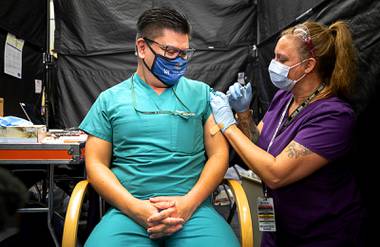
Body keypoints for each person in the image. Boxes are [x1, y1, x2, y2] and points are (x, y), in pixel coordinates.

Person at [79, 7, 240, 247]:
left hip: (194, 212)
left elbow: (219, 155)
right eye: (170, 51)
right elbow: (95, 165)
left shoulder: (201, 95)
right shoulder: (110, 100)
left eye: (184, 53)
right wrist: (136, 209)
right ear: (142, 47)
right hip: (128, 212)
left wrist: (187, 205)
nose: (178, 60)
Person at [210, 20, 364, 246]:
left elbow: (274, 174)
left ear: (309, 65)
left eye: (282, 60)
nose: (273, 64)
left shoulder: (334, 117)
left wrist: (228, 125)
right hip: (279, 227)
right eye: (274, 57)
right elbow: (258, 144)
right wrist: (243, 114)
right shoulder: (285, 97)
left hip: (323, 233)